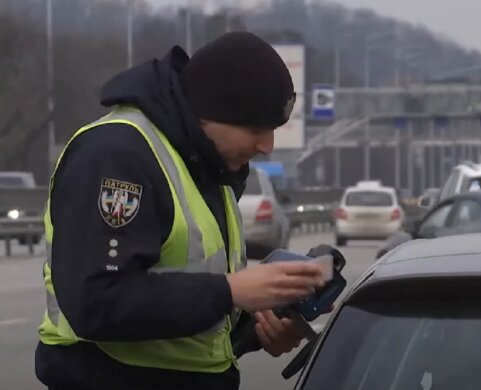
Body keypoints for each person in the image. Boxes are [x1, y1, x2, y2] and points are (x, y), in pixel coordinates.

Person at [35, 32, 328, 390]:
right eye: (256, 128)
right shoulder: (117, 155)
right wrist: (231, 292)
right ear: (209, 112)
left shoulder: (206, 164)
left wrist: (256, 324)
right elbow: (97, 302)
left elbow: (183, 305)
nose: (267, 146)